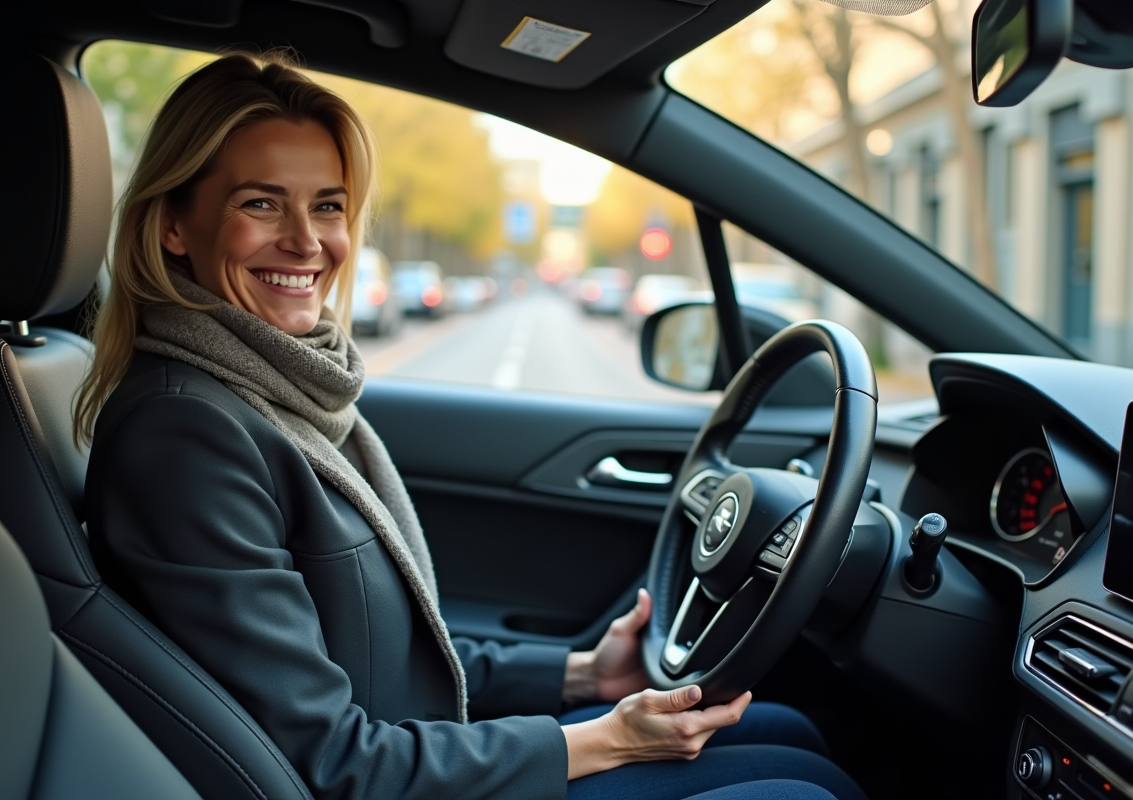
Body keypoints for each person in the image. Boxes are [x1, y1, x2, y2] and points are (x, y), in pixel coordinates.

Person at [76, 52, 866, 800]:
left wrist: (588, 677)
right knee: (800, 788)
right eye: (260, 203)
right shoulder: (185, 433)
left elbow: (387, 662)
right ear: (173, 225)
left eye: (328, 205)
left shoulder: (274, 391)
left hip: (415, 760)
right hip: (388, 780)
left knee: (788, 731)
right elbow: (327, 762)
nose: (307, 241)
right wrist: (609, 742)